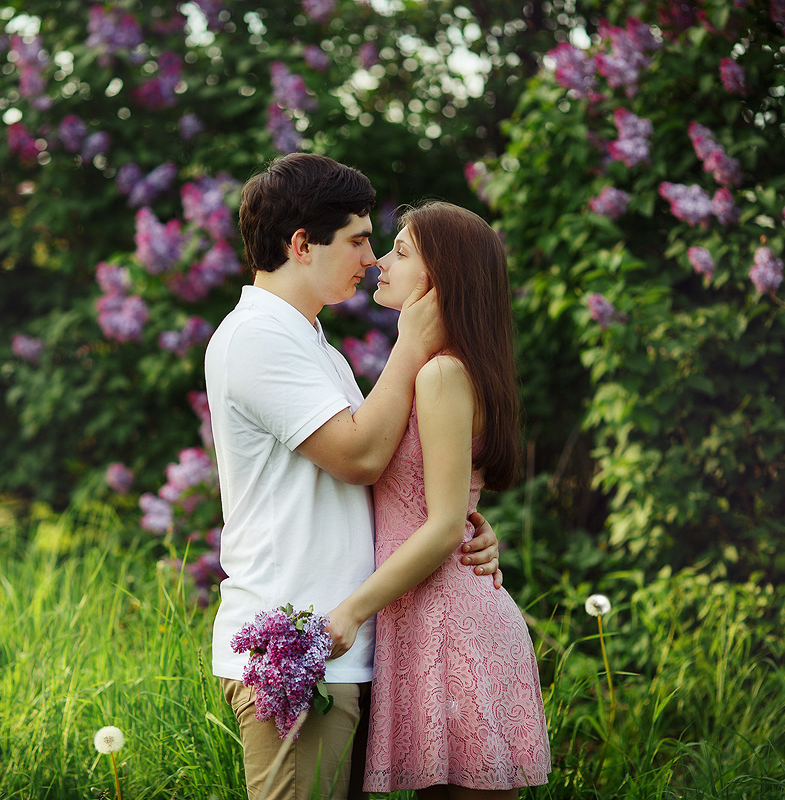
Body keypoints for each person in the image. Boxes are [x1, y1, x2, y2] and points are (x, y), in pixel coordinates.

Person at [205, 154, 502, 800]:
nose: (371, 258)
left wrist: (460, 520)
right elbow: (359, 456)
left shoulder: (314, 344)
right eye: (358, 240)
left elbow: (381, 475)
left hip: (348, 644)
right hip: (296, 644)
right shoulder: (257, 337)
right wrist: (410, 345)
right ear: (301, 245)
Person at [324, 201, 551, 798]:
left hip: (454, 627)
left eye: (400, 252)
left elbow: (446, 524)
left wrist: (351, 612)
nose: (381, 262)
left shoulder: (441, 375)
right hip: (429, 621)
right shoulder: (432, 368)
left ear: (440, 280)